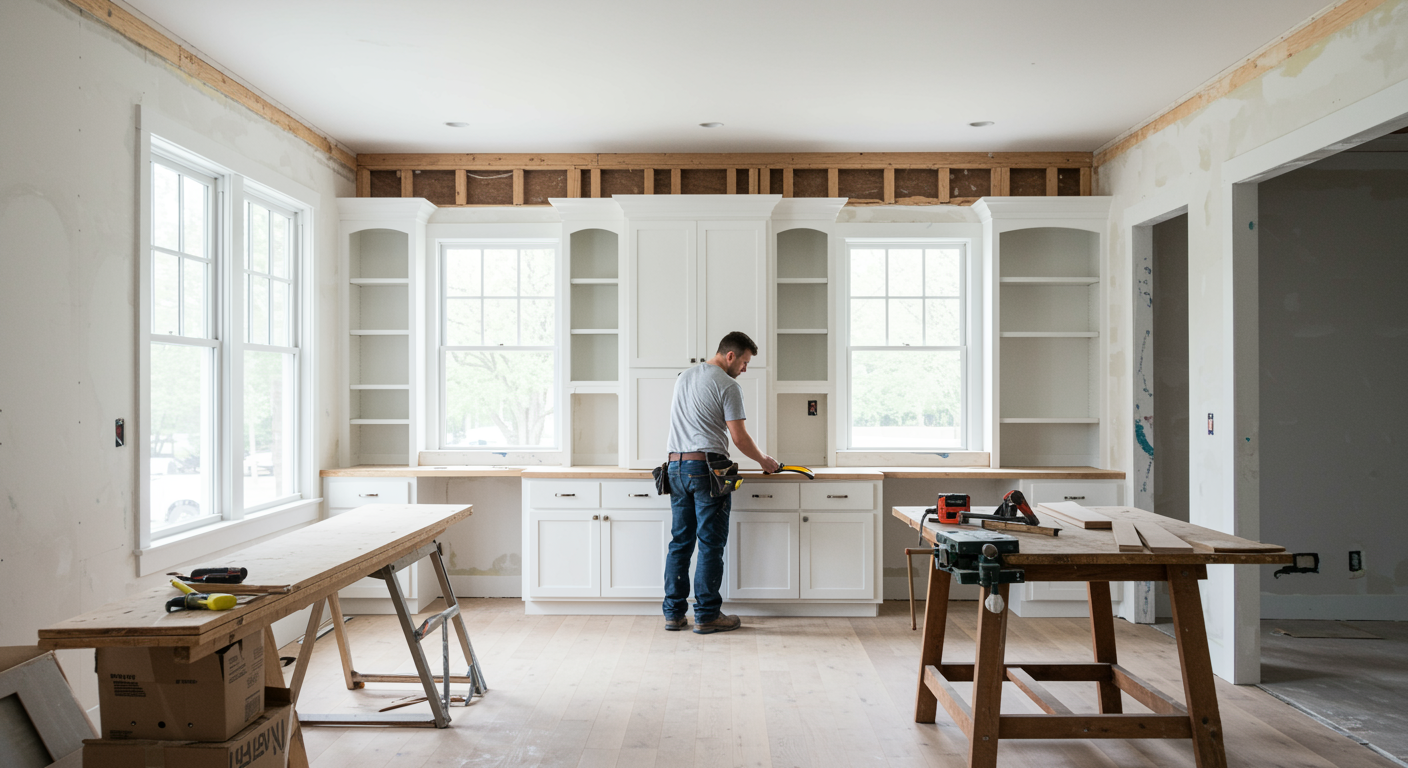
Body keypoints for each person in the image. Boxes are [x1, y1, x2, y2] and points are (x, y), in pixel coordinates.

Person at [662, 331, 780, 634]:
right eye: (744, 362)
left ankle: (674, 614)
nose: (744, 369)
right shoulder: (727, 385)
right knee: (710, 545)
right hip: (706, 470)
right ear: (730, 356)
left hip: (674, 467)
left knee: (680, 543)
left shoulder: (683, 377)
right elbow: (739, 438)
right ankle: (707, 615)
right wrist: (765, 461)